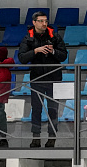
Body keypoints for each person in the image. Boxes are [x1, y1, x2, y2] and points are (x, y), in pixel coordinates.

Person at [18, 11, 67, 149]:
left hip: (54, 79)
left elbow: (63, 55)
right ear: (34, 22)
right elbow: (22, 58)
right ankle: (36, 138)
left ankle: (52, 137)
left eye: (46, 21)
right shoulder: (28, 38)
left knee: (53, 109)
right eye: (41, 21)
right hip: (37, 79)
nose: (44, 23)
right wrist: (36, 51)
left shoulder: (55, 36)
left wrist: (52, 52)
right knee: (36, 109)